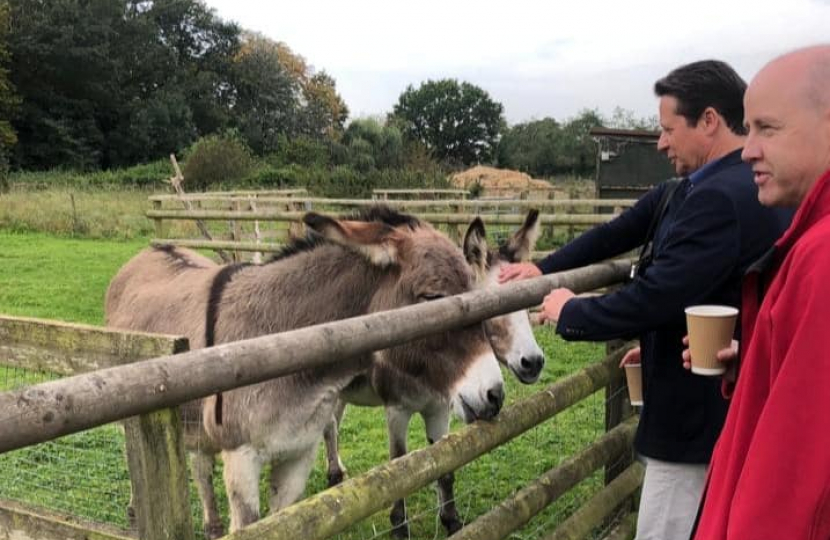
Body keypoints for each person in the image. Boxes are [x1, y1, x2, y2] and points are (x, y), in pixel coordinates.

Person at [499, 60, 791, 540]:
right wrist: (544, 267)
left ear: (710, 121)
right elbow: (620, 232)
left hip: (694, 422)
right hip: (709, 401)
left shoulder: (721, 197)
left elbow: (659, 294)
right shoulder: (691, 188)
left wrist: (570, 309)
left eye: (667, 129)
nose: (660, 143)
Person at [687, 45, 830, 540]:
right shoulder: (810, 238)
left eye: (767, 129)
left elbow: (797, 473)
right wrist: (756, 362)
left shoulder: (823, 258)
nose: (748, 149)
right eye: (748, 130)